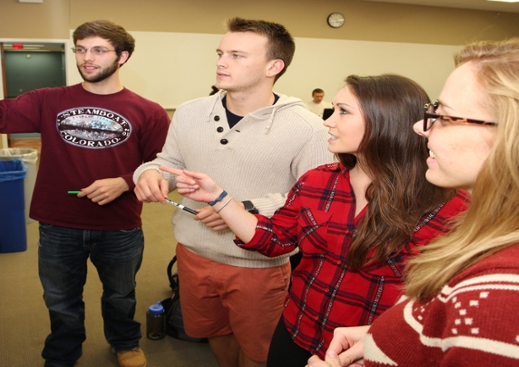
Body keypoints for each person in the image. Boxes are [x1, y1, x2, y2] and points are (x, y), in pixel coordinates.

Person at [312, 35, 519, 367]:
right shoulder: (516, 244)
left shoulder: (518, 297)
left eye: (444, 116)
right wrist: (400, 335)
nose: (420, 127)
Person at [161, 74, 469, 367]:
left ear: (385, 122)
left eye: (343, 112)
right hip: (299, 328)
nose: (327, 121)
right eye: (333, 109)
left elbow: (445, 303)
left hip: (370, 346)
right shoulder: (319, 181)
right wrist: (220, 198)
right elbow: (275, 239)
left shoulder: (447, 205)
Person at [0, 20, 170, 367]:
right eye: (81, 49)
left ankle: (125, 342)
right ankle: (63, 354)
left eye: (98, 50)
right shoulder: (49, 100)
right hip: (58, 224)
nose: (87, 58)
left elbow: (163, 165)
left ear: (123, 56)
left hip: (120, 226)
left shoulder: (149, 112)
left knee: (120, 294)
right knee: (60, 300)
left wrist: (125, 181)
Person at [133, 17, 334, 367]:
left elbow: (315, 204)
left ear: (275, 66)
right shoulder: (190, 111)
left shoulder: (308, 129)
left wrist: (241, 207)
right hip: (193, 254)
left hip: (257, 265)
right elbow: (168, 161)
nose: (221, 62)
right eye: (220, 53)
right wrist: (149, 173)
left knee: (259, 352)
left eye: (237, 55)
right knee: (215, 333)